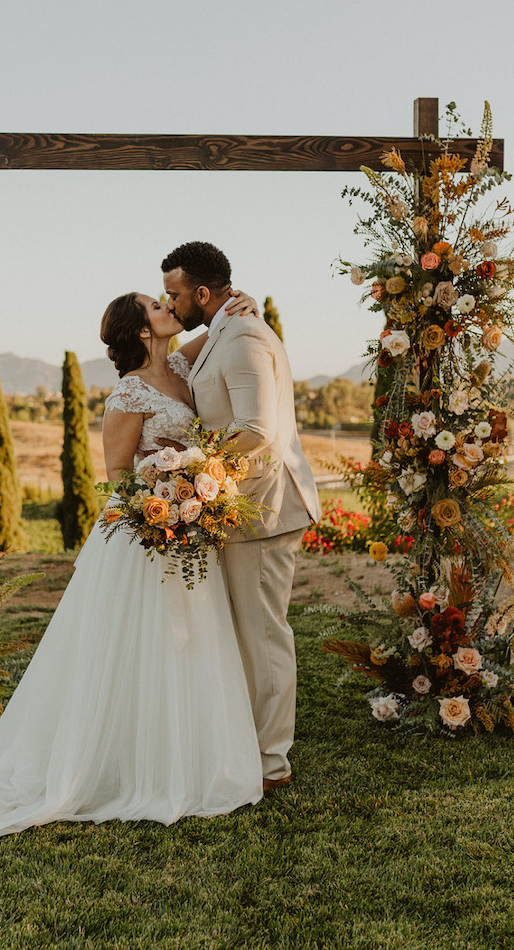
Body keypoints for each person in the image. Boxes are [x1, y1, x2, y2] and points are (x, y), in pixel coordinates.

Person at [0, 289, 263, 837]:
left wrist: (237, 304)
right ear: (140, 331)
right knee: (137, 643)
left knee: (189, 639)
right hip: (145, 530)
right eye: (157, 307)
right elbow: (117, 476)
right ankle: (122, 761)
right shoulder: (129, 394)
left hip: (188, 523)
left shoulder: (181, 363)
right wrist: (168, 504)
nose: (169, 310)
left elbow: (219, 325)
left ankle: (189, 754)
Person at [162, 242, 321, 791]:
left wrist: (194, 467)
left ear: (201, 293)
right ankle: (246, 744)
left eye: (174, 295)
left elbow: (257, 428)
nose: (171, 304)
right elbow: (184, 370)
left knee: (262, 637)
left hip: (265, 511)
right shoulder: (227, 330)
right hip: (237, 510)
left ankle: (272, 762)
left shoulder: (247, 335)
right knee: (243, 634)